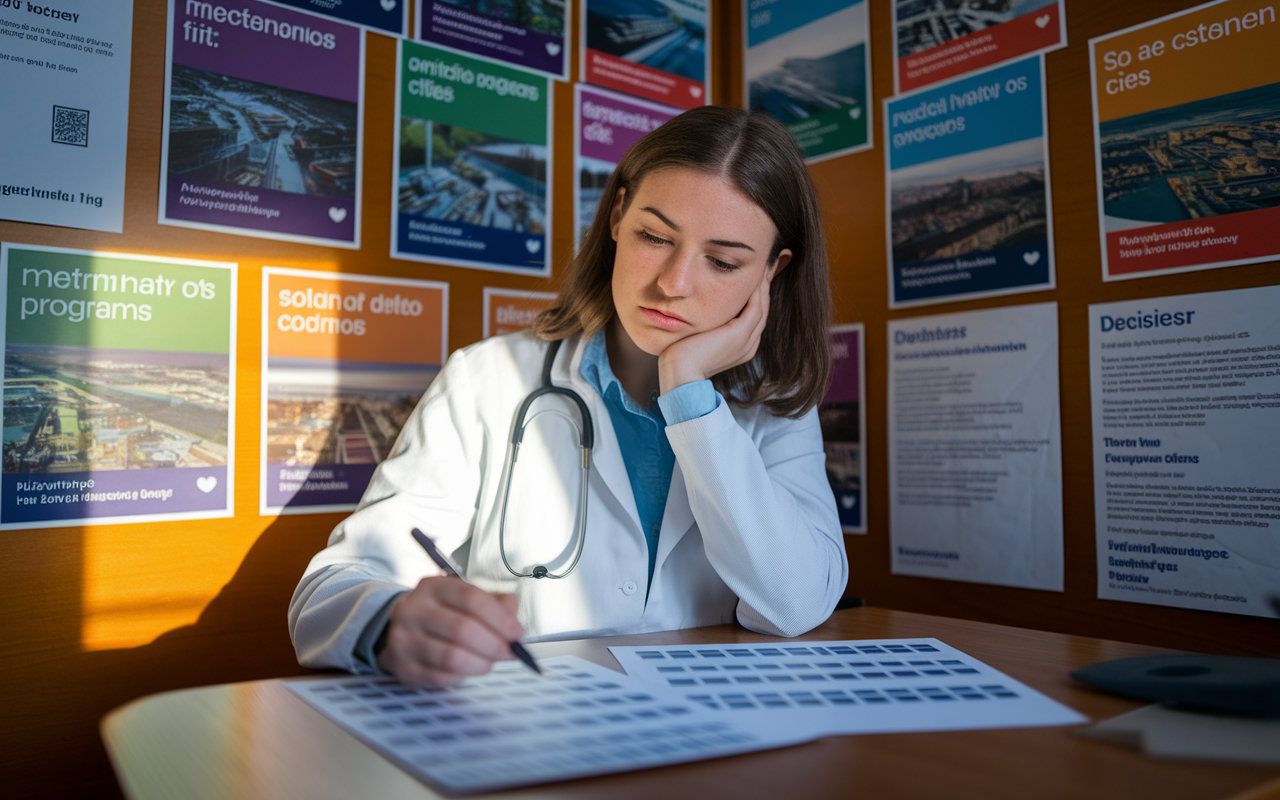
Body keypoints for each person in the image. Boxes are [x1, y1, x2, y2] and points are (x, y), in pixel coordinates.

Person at [289, 106, 847, 687]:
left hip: (705, 747)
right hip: (527, 743)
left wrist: (688, 389)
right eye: (655, 236)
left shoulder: (776, 406)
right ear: (616, 215)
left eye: (723, 262)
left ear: (773, 271)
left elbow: (797, 603)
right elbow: (333, 588)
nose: (673, 284)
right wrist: (389, 621)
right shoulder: (486, 378)